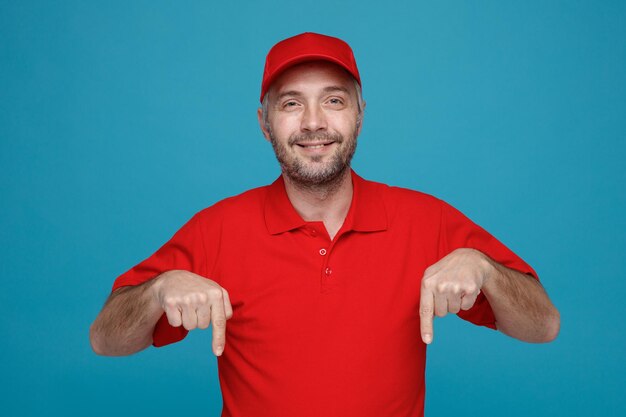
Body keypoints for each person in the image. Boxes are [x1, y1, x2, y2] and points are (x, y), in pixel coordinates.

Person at [90, 32, 560, 417]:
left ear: (360, 114)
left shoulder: (427, 220)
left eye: (333, 100)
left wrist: (484, 269)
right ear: (264, 122)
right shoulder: (217, 229)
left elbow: (542, 326)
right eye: (291, 104)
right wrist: (157, 291)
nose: (314, 123)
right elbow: (106, 339)